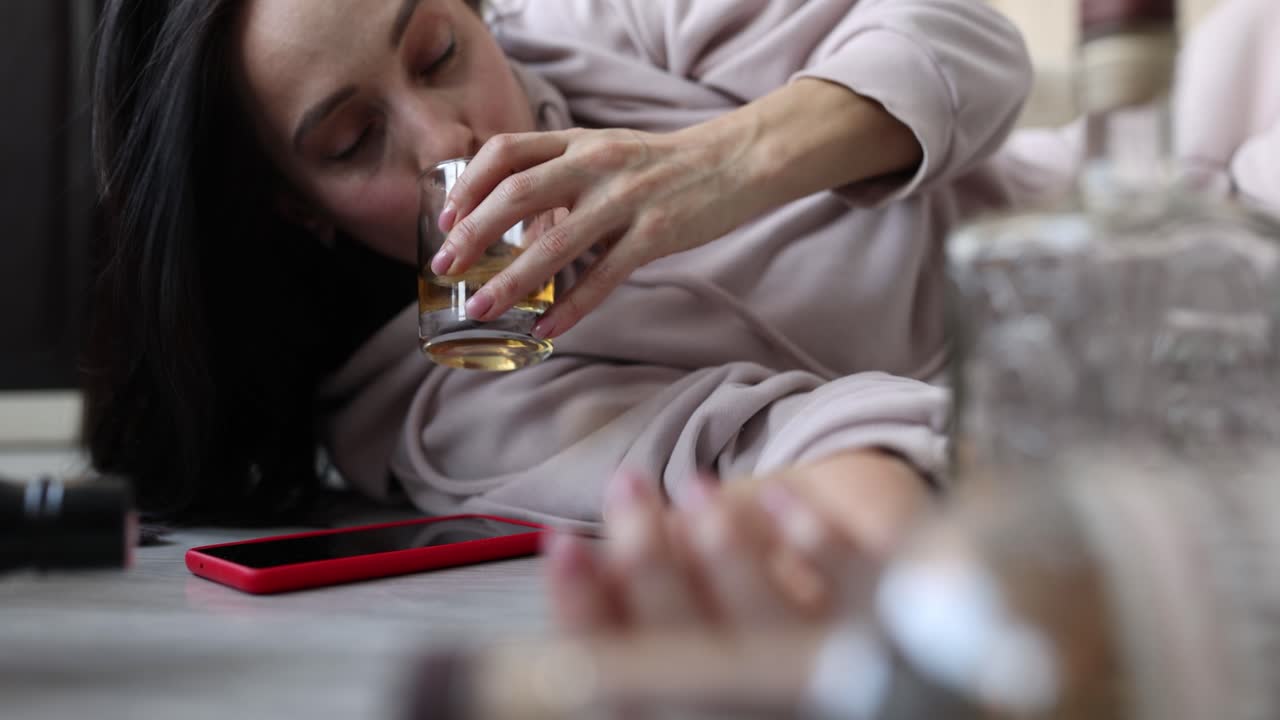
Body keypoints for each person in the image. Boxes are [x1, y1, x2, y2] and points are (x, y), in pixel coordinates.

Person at [88, 0, 1031, 613]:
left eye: (438, 51)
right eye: (350, 141)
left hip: (1080, 232)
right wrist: (878, 505)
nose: (443, 135)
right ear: (302, 209)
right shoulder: (452, 397)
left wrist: (721, 163)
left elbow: (966, 41)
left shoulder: (596, 22)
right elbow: (760, 445)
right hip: (1045, 412)